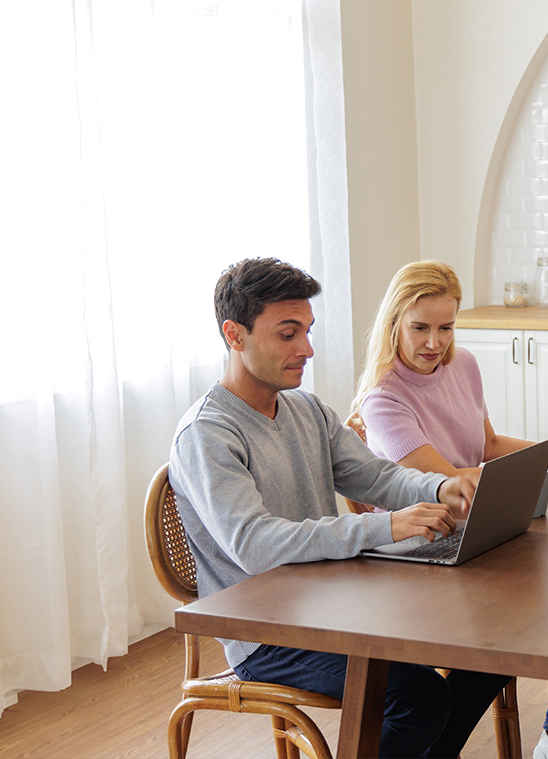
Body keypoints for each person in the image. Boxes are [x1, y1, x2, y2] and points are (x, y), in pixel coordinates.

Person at [169, 257, 509, 759]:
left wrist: (440, 489)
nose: (306, 349)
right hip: (268, 631)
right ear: (234, 335)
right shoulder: (208, 434)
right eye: (288, 334)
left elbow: (376, 475)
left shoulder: (305, 408)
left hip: (333, 599)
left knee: (493, 648)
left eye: (307, 331)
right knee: (417, 697)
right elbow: (256, 546)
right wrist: (383, 527)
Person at [351, 260, 548, 759]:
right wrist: (545, 474)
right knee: (547, 610)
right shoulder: (383, 399)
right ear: (394, 324)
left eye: (446, 327)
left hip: (475, 534)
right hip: (422, 549)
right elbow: (450, 484)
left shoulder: (464, 364)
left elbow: (488, 444)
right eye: (420, 328)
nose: (434, 343)